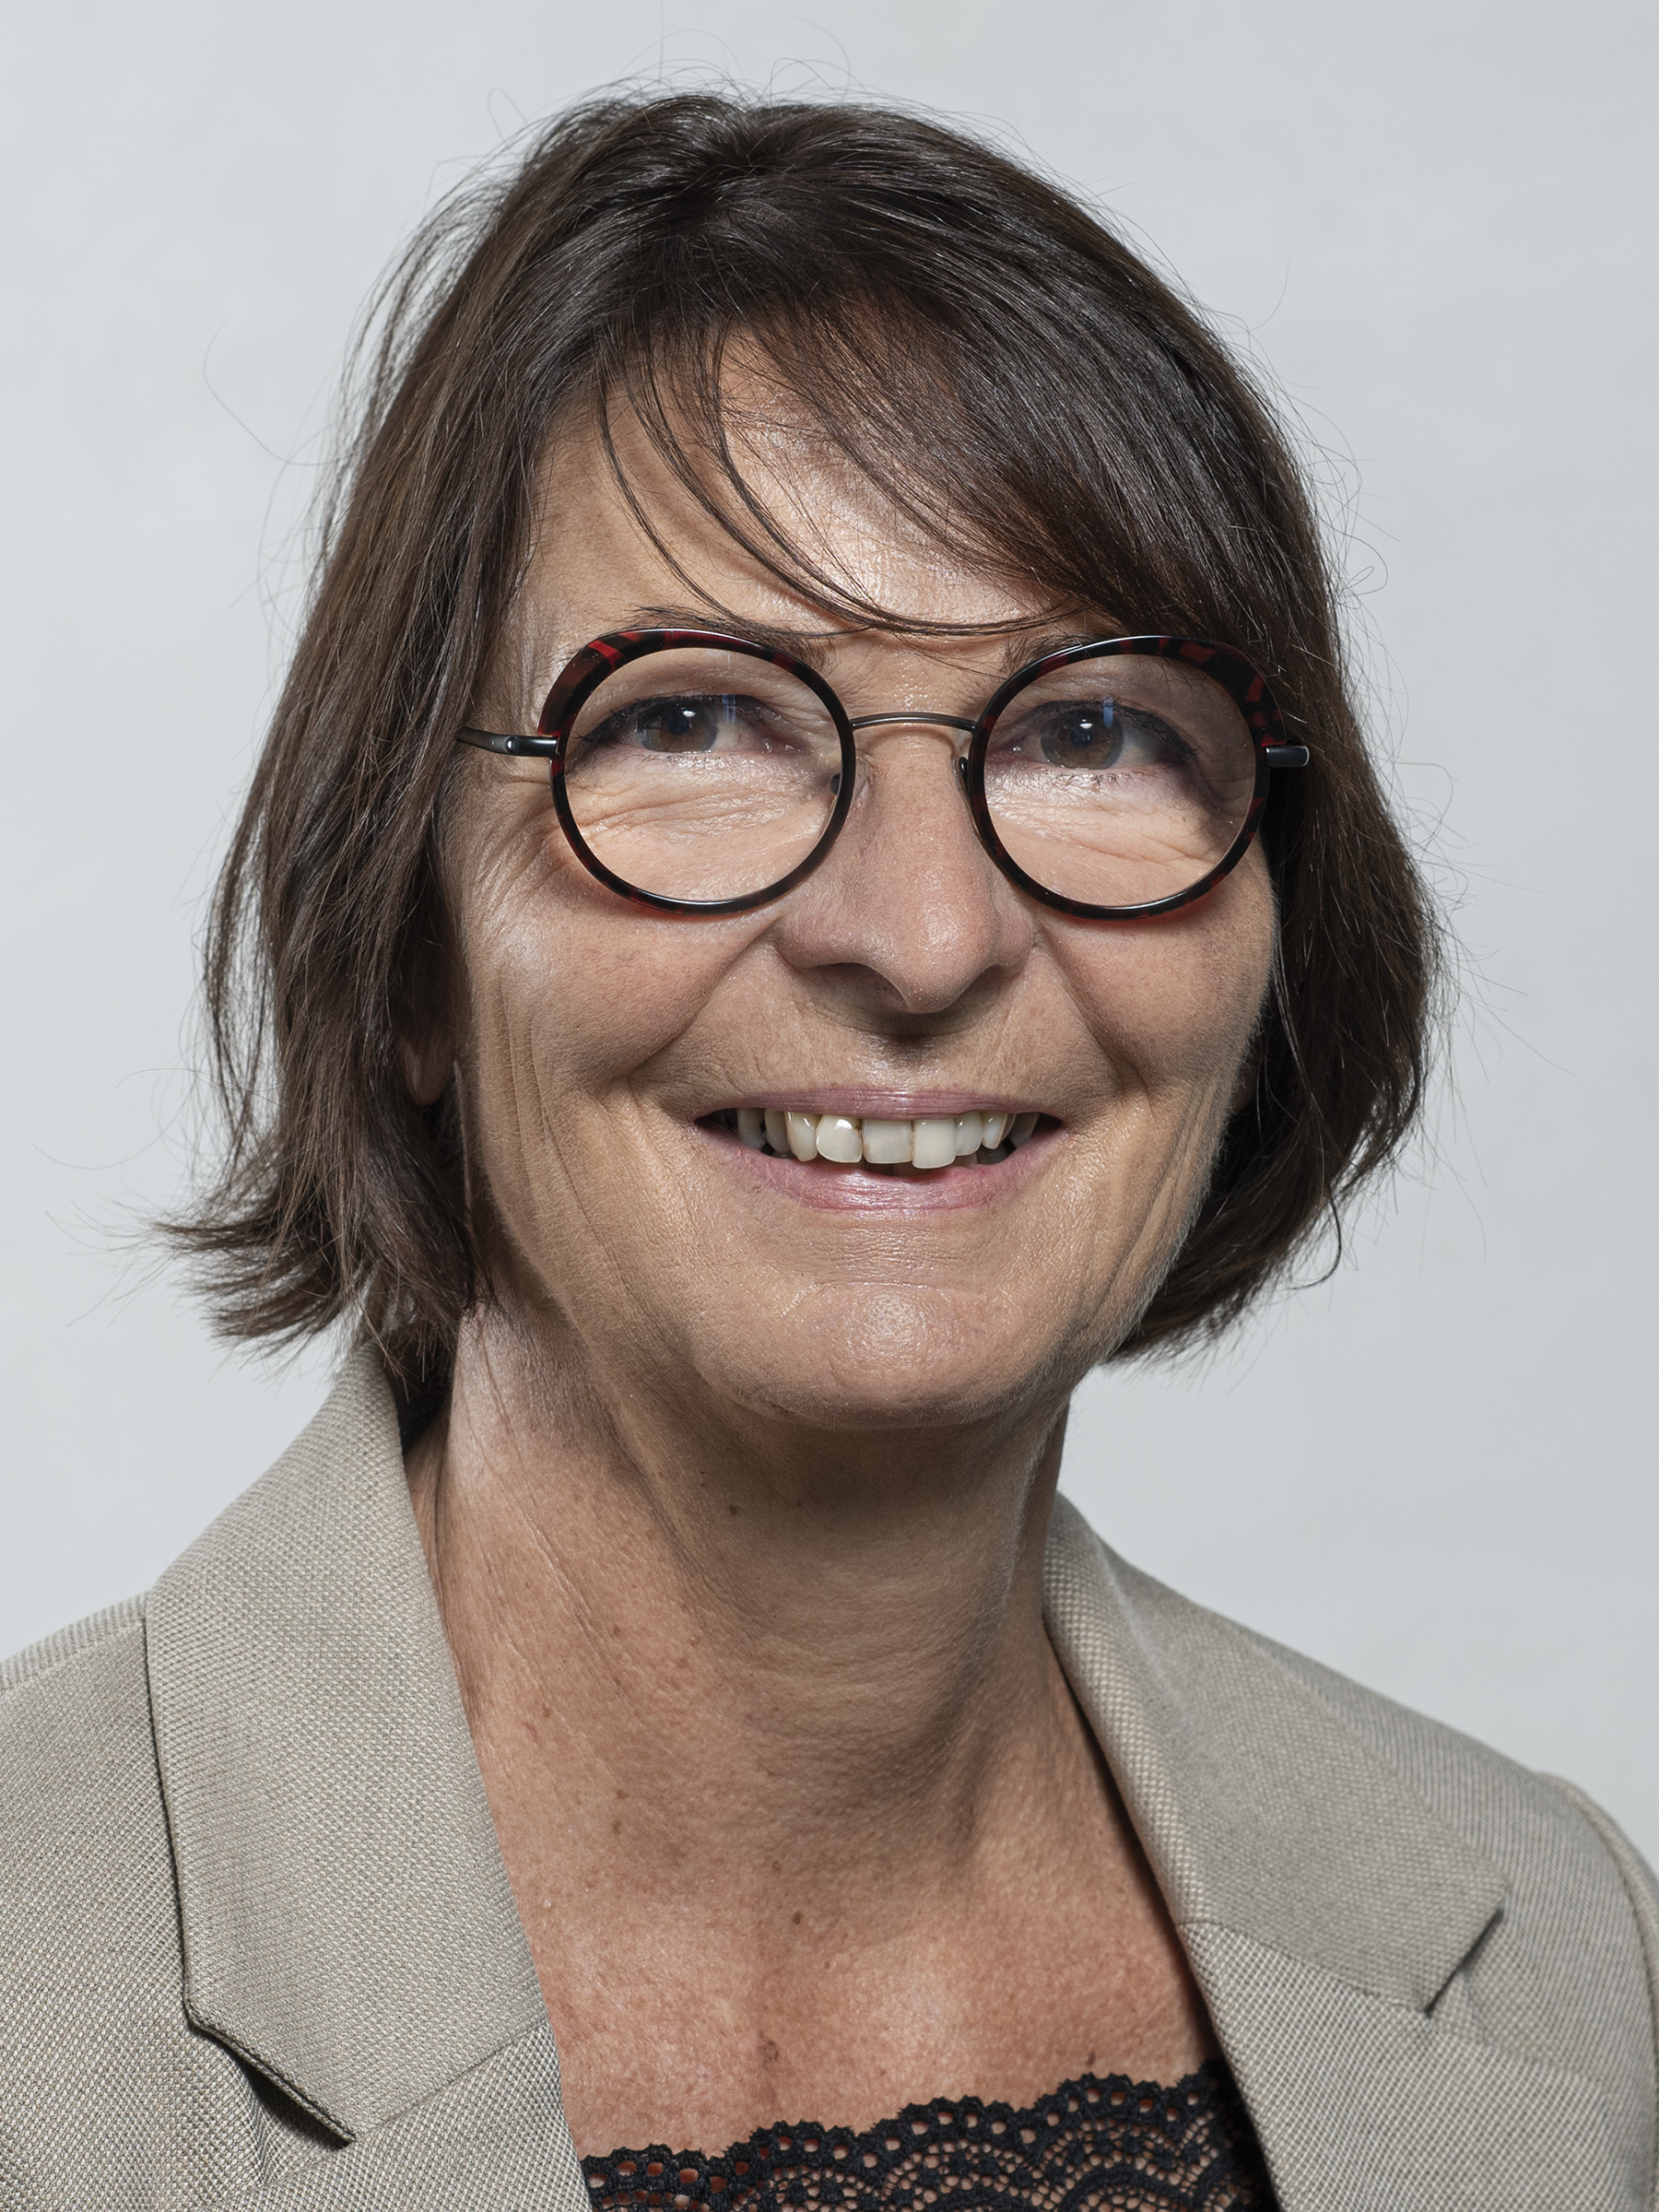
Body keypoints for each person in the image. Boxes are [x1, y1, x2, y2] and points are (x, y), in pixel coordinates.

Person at [1, 91, 1653, 2212]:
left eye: (1093, 731)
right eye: (690, 719)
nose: (924, 934)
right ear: (404, 939)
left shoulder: (1573, 1974)